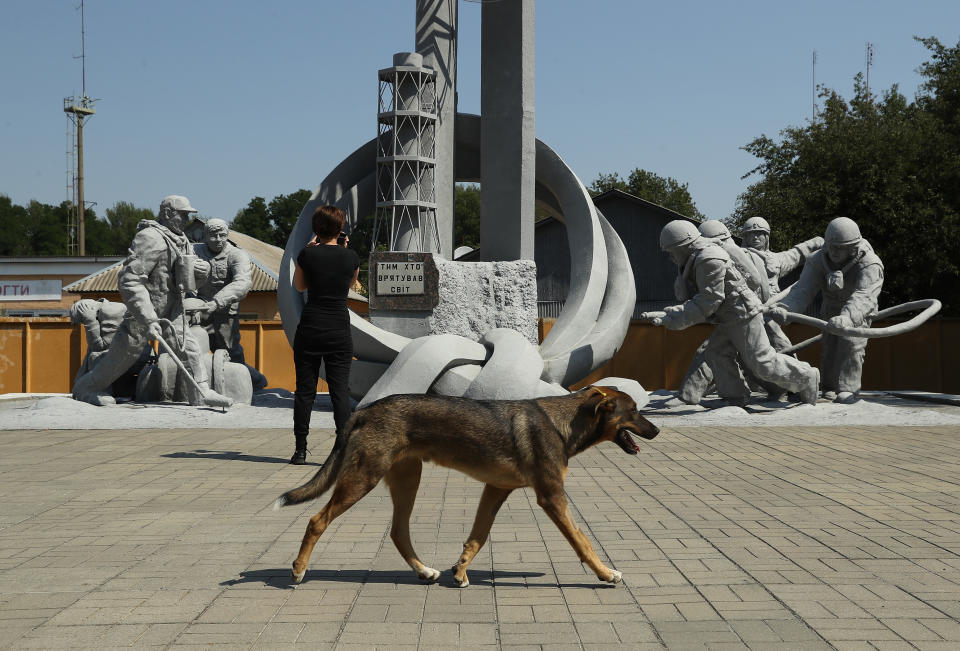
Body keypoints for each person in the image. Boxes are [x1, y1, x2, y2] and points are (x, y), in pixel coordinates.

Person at [72, 195, 231, 407]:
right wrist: (147, 317)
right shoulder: (150, 237)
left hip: (173, 308)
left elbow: (188, 282)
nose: (186, 219)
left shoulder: (181, 240)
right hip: (145, 311)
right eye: (182, 214)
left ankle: (201, 392)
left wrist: (203, 271)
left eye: (188, 215)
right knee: (125, 355)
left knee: (189, 347)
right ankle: (87, 387)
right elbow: (130, 280)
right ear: (167, 213)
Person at [655, 220, 819, 407]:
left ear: (683, 245)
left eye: (671, 251)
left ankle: (806, 376)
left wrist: (677, 318)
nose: (671, 257)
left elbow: (710, 300)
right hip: (728, 315)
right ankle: (735, 396)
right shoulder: (695, 257)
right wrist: (674, 313)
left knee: (762, 361)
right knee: (716, 353)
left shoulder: (709, 258)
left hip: (742, 314)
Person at [768, 217, 883, 403]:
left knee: (852, 345)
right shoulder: (817, 260)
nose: (835, 252)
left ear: (852, 247)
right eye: (832, 246)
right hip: (830, 309)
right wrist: (785, 308)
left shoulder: (870, 263)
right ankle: (828, 388)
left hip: (858, 312)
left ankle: (849, 390)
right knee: (829, 348)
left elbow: (865, 295)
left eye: (841, 247)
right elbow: (803, 291)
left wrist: (847, 317)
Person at [678, 220, 776, 404]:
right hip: (735, 314)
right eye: (749, 234)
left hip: (755, 311)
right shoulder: (710, 257)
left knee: (771, 350)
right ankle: (694, 394)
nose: (754, 237)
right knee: (714, 351)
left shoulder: (736, 254)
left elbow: (758, 282)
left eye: (760, 234)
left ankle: (796, 385)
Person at [290, 205, 359, 465]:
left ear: (316, 230)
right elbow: (350, 285)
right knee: (340, 391)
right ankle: (343, 451)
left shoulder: (307, 254)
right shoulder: (350, 256)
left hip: (310, 328)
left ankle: (300, 450)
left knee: (304, 391)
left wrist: (310, 251)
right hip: (339, 330)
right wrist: (342, 252)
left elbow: (299, 286)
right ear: (340, 230)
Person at [192, 218, 253, 363]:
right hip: (199, 310)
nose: (218, 239)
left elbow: (243, 282)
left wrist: (216, 302)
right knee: (195, 348)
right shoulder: (194, 251)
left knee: (231, 351)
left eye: (222, 235)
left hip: (225, 312)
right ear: (205, 236)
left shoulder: (237, 254)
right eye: (213, 235)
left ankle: (249, 380)